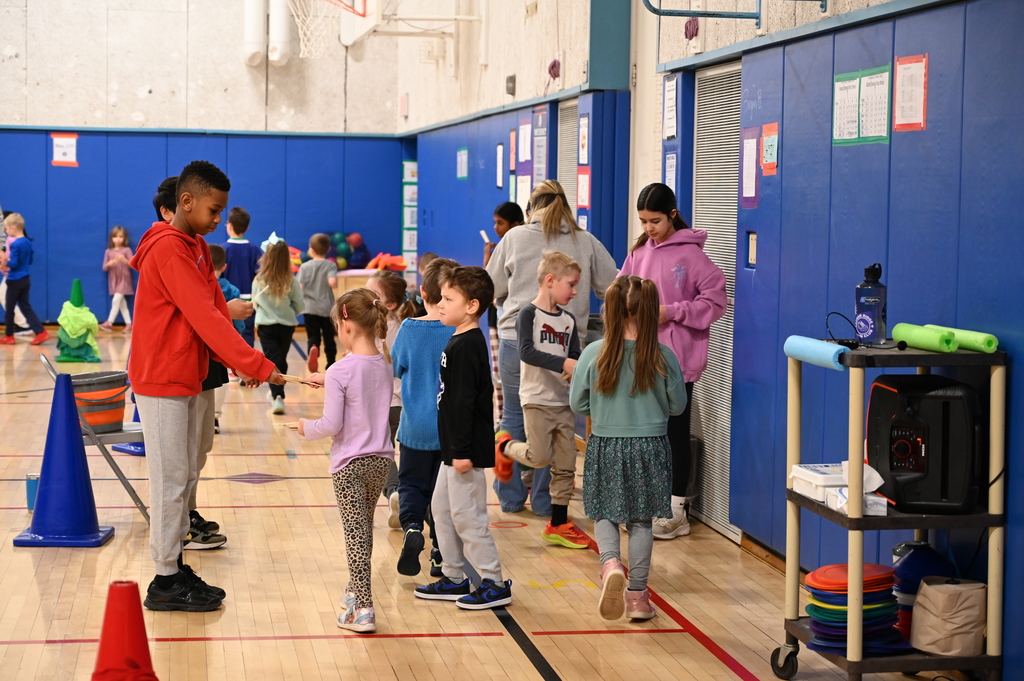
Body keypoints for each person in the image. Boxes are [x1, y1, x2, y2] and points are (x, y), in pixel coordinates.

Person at [130, 160, 282, 612]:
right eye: (213, 210)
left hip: (187, 376)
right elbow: (205, 319)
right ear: (186, 201)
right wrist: (257, 364)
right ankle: (164, 579)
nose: (219, 219)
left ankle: (175, 566)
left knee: (184, 474)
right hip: (161, 378)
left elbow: (214, 309)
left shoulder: (195, 244)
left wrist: (242, 364)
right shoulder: (167, 249)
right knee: (169, 480)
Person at [485, 179, 618, 516]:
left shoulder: (514, 237)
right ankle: (545, 502)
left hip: (516, 339)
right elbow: (612, 285)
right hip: (566, 344)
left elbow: (491, 287)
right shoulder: (585, 240)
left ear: (531, 208)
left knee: (515, 415)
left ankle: (510, 497)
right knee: (557, 420)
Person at [570, 275, 687, 621]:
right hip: (650, 447)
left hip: (606, 443)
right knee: (641, 521)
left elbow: (578, 403)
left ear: (610, 310)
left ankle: (610, 564)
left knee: (604, 512)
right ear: (651, 312)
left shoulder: (593, 353)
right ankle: (637, 597)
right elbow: (678, 407)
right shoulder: (664, 356)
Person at [618, 183, 727, 539]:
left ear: (673, 215)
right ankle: (648, 503)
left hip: (678, 361)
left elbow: (715, 303)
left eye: (655, 221)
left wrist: (672, 312)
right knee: (645, 432)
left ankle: (677, 511)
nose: (649, 228)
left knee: (674, 433)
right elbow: (621, 290)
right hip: (640, 355)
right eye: (643, 221)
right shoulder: (639, 252)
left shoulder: (693, 256)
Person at [414, 266, 512, 610]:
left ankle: (494, 582)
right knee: (441, 511)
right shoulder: (457, 339)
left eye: (448, 299)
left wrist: (460, 451)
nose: (440, 304)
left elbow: (464, 403)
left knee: (468, 517)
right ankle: (454, 577)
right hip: (452, 449)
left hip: (463, 451)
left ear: (471, 306)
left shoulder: (469, 344)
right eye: (441, 298)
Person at [298, 288, 395, 634]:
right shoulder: (384, 362)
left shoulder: (341, 369)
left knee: (355, 533)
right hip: (381, 461)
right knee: (363, 528)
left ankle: (364, 609)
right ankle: (355, 590)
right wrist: (329, 380)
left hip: (349, 465)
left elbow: (331, 425)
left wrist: (305, 427)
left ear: (347, 325)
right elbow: (362, 383)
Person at [495, 250, 589, 549]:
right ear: (550, 280)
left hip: (562, 402)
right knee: (539, 458)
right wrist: (564, 363)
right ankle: (503, 446)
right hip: (536, 399)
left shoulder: (569, 320)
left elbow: (574, 354)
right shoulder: (529, 314)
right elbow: (526, 352)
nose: (575, 292)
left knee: (566, 465)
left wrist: (574, 367)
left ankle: (558, 523)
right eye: (571, 284)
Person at [390, 257, 458, 577]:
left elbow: (395, 366)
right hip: (449, 431)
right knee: (444, 496)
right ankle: (440, 554)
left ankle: (413, 528)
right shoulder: (459, 331)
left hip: (415, 426)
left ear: (423, 294)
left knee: (411, 485)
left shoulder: (409, 328)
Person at [365, 270, 416, 529]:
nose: (366, 297)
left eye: (373, 294)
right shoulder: (408, 326)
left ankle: (394, 491)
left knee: (381, 453)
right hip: (406, 402)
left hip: (383, 403)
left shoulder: (374, 330)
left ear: (391, 304)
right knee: (406, 453)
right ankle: (409, 499)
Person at [483, 202, 525, 450]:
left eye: (500, 223)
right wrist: (487, 259)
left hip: (510, 324)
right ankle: (501, 421)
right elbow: (488, 285)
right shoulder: (498, 249)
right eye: (495, 223)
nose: (496, 228)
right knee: (498, 375)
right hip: (495, 319)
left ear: (515, 225)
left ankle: (509, 424)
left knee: (509, 377)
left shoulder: (518, 248)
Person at [252, 239, 304, 415]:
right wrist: (288, 312)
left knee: (273, 360)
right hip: (286, 326)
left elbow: (255, 304)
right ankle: (278, 395)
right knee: (280, 359)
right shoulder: (291, 281)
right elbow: (299, 305)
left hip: (266, 326)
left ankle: (277, 396)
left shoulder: (259, 280)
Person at [0, 212, 49, 346]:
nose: (6, 232)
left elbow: (14, 263)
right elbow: (30, 260)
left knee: (10, 308)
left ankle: (9, 336)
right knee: (25, 307)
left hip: (14, 280)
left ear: (13, 227)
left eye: (6, 229)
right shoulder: (27, 242)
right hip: (25, 279)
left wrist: (4, 262)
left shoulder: (15, 244)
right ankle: (40, 332)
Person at [222, 207, 262, 347]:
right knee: (247, 334)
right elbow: (260, 276)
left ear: (230, 226)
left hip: (228, 303)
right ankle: (247, 361)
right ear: (247, 228)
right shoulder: (254, 250)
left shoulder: (223, 250)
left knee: (227, 336)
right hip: (250, 301)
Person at [298, 233, 338, 372]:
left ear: (311, 250)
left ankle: (313, 347)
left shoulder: (304, 267)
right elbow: (332, 283)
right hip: (326, 308)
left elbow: (299, 287)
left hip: (309, 308)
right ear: (328, 249)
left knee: (313, 335)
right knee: (329, 337)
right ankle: (331, 363)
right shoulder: (330, 265)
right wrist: (334, 282)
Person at [0, 209, 30, 334]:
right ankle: (22, 324)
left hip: (14, 275)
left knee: (7, 298)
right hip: (13, 275)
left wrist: (4, 264)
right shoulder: (13, 239)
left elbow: (12, 260)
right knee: (9, 298)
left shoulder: (12, 241)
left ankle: (23, 325)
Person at [100, 225, 134, 333]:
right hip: (114, 279)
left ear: (124, 238)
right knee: (121, 303)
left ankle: (109, 322)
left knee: (116, 300)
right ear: (111, 238)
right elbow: (104, 267)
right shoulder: (108, 251)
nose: (118, 239)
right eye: (115, 237)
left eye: (120, 236)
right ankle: (129, 324)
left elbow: (132, 264)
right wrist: (110, 263)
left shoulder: (127, 250)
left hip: (124, 278)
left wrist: (123, 259)